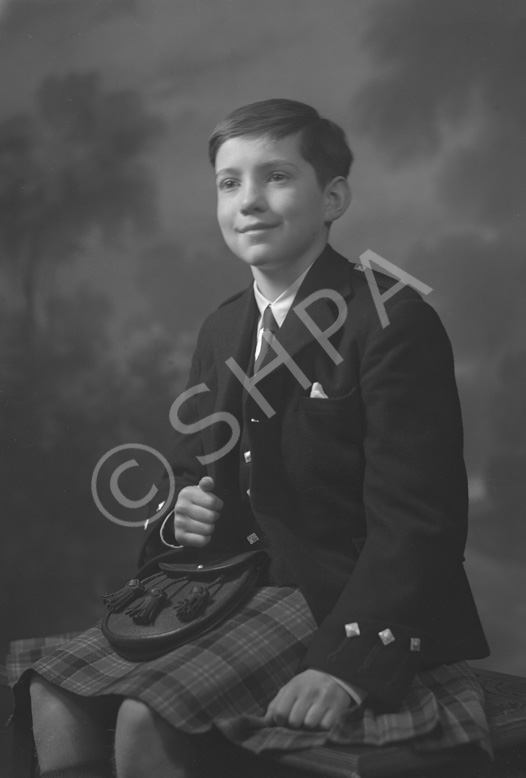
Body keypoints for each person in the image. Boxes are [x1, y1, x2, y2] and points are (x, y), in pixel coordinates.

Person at [17, 99, 490, 778]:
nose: (250, 202)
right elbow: (190, 476)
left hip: (333, 599)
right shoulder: (223, 328)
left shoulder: (389, 320)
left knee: (146, 715)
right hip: (230, 588)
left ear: (333, 198)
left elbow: (420, 525)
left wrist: (347, 666)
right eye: (230, 183)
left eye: (277, 177)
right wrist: (181, 517)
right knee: (54, 689)